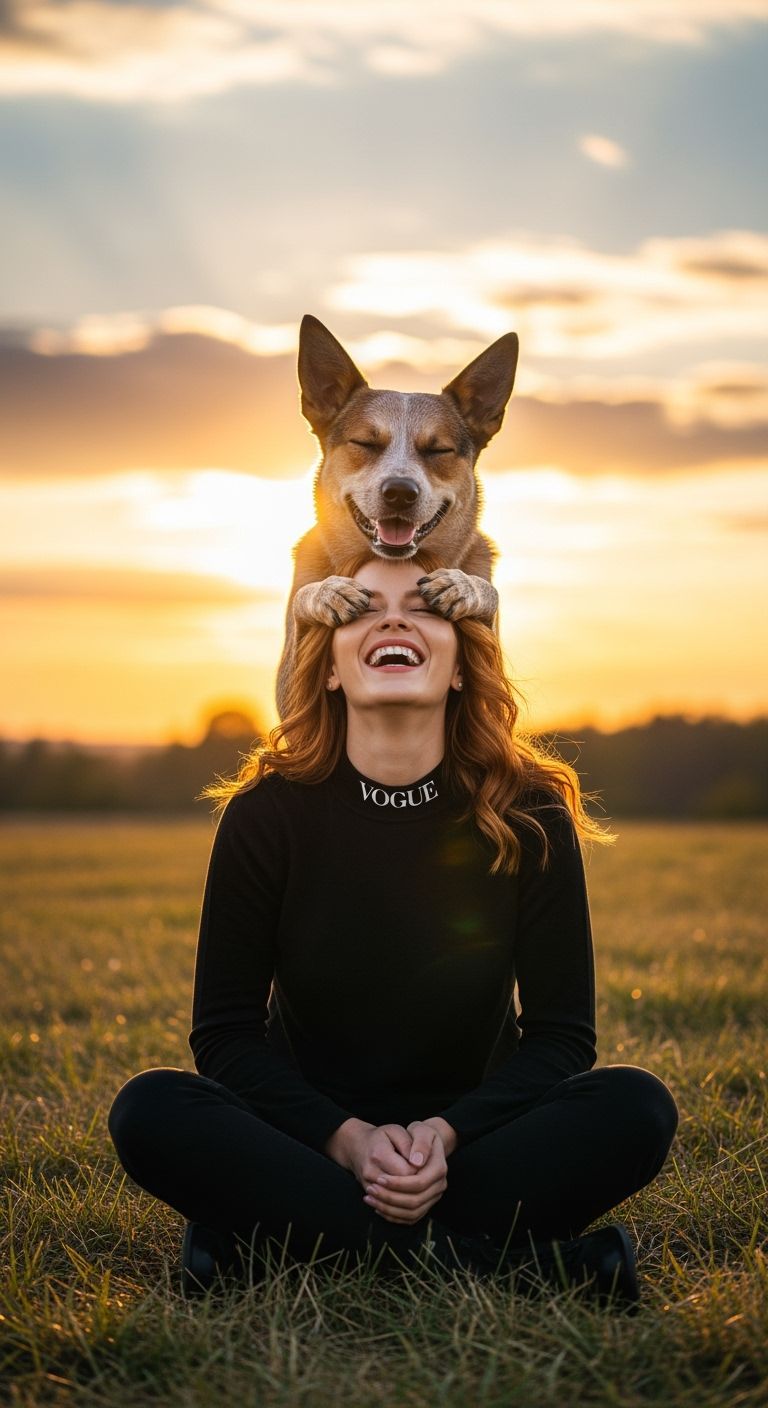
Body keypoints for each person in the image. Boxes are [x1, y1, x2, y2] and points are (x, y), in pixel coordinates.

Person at [108, 548, 678, 1307]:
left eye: (426, 606)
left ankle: (262, 1256)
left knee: (637, 1106)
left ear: (462, 666)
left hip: (476, 1146)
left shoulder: (530, 813)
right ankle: (535, 1268)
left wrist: (442, 1136)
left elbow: (562, 1038)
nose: (394, 619)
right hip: (308, 1144)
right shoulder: (264, 816)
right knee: (150, 1109)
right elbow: (225, 1036)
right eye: (363, 607)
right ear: (329, 668)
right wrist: (349, 1140)